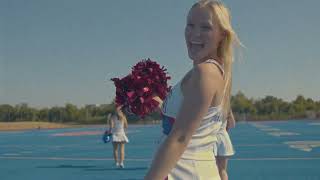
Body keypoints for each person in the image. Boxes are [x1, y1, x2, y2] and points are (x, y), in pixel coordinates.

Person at [144, 0, 240, 179]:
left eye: (206, 27)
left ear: (222, 35)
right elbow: (191, 122)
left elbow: (180, 138)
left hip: (185, 171)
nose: (194, 34)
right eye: (190, 25)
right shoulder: (213, 71)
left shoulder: (206, 72)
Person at [214, 111, 236, 180]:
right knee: (222, 170)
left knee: (211, 170)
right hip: (223, 138)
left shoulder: (208, 103)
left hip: (211, 138)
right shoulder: (227, 105)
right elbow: (232, 124)